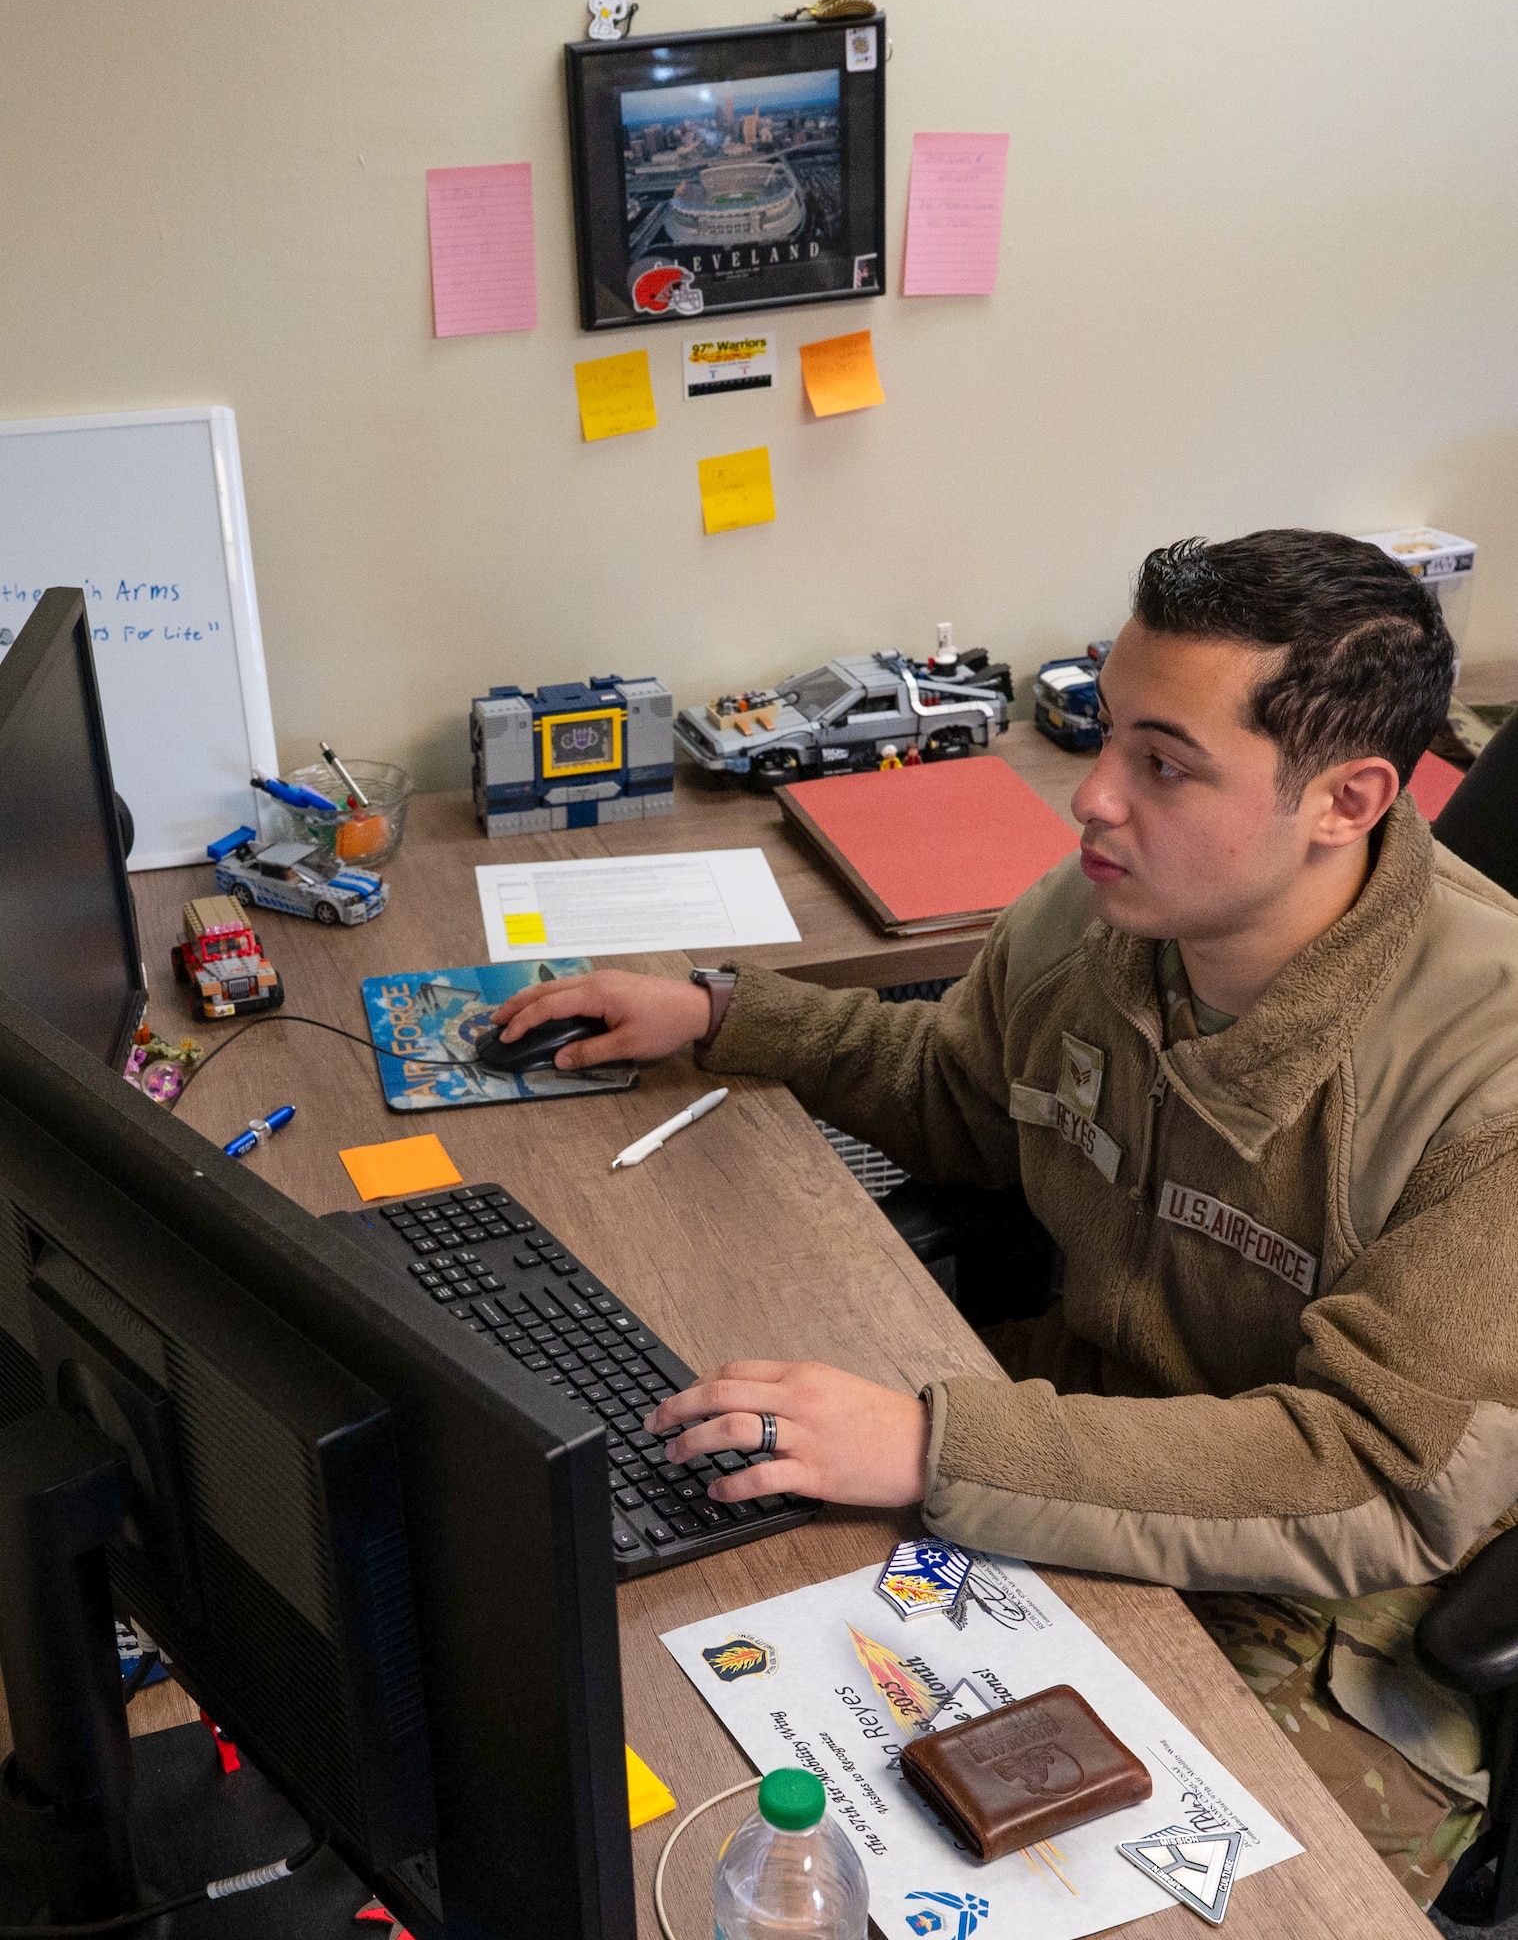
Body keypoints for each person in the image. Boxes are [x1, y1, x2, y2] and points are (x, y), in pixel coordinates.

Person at [494, 530, 1518, 1905]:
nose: (1091, 799)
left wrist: (932, 1444)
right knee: (686, 1658)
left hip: (1352, 1596)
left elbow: (1375, 1478)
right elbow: (965, 1095)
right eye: (1104, 732)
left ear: (1345, 800)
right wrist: (728, 1018)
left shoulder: (1489, 1082)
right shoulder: (1113, 920)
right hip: (1085, 1422)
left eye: (1162, 763)